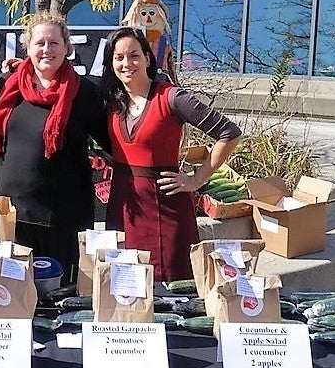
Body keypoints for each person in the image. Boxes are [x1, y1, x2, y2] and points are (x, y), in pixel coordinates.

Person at [101, 27, 242, 282]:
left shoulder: (172, 98)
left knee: (173, 290)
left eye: (134, 55)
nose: (126, 63)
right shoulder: (112, 102)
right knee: (125, 289)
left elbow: (229, 132)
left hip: (166, 209)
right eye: (118, 57)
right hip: (124, 209)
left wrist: (196, 181)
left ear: (147, 57)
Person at [0, 10, 110, 284]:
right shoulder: (7, 87)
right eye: (39, 43)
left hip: (64, 222)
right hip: (13, 220)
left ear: (67, 47)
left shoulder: (85, 93)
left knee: (59, 302)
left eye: (54, 43)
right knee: (10, 300)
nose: (46, 49)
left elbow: (114, 144)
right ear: (27, 48)